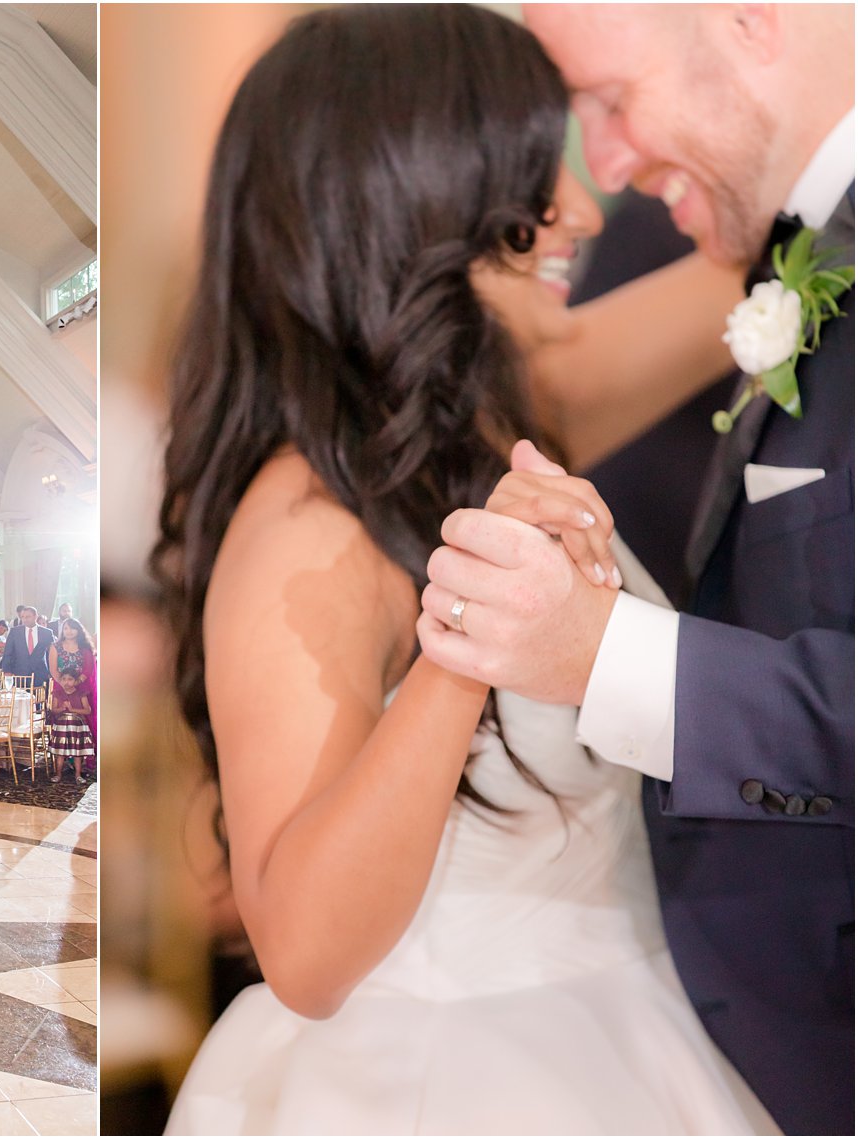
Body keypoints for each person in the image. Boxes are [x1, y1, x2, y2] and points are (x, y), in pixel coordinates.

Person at [155, 6, 771, 1135]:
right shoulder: (310, 521)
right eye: (537, 179)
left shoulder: (504, 410)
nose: (581, 210)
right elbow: (302, 948)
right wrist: (467, 643)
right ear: (421, 191)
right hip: (455, 1077)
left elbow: (774, 273)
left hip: (635, 1025)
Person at [414, 7, 855, 1134]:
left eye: (607, 101)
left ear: (747, 21)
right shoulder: (790, 251)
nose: (595, 176)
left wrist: (601, 653)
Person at [48, 617, 97, 743]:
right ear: (62, 630)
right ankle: (63, 751)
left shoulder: (85, 647)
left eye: (72, 628)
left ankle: (84, 752)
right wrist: (65, 684)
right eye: (66, 628)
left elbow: (88, 669)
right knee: (62, 718)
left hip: (81, 687)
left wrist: (75, 683)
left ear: (79, 630)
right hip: (60, 686)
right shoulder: (55, 647)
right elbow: (53, 670)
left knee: (83, 719)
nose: (69, 631)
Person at [47, 669, 94, 783]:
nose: (66, 682)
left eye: (70, 679)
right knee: (60, 752)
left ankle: (78, 775)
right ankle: (58, 774)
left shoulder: (81, 693)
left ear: (75, 681)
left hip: (77, 725)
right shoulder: (57, 693)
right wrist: (62, 708)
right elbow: (53, 710)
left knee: (78, 752)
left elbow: (87, 710)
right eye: (63, 679)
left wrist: (72, 709)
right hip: (62, 725)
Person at [1, 605, 54, 689]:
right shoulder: (15, 632)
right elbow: (8, 653)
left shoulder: (47, 633)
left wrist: (52, 673)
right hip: (19, 674)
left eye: (28, 616)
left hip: (40, 673)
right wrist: (7, 671)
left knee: (38, 700)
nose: (25, 619)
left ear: (35, 616)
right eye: (23, 617)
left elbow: (52, 654)